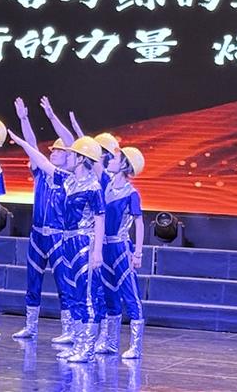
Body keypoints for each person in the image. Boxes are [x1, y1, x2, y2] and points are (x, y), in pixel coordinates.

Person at [8, 132, 105, 363]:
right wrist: (23, 143)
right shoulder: (69, 180)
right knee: (75, 294)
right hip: (68, 241)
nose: (68, 156)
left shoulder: (93, 187)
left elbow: (100, 218)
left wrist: (97, 251)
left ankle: (87, 349)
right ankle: (78, 344)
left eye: (72, 154)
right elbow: (43, 163)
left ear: (81, 159)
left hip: (84, 242)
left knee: (86, 296)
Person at [11, 97, 75, 344]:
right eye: (53, 151)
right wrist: (24, 118)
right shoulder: (40, 172)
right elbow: (32, 147)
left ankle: (69, 329)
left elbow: (71, 142)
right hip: (38, 234)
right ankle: (30, 326)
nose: (55, 153)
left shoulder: (69, 178)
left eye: (59, 151)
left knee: (63, 282)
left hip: (59, 235)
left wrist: (51, 116)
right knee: (32, 281)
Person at [95, 147, 146, 359]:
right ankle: (111, 343)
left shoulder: (131, 193)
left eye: (115, 158)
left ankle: (136, 346)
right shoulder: (106, 186)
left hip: (121, 248)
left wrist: (138, 253)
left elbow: (139, 223)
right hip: (105, 248)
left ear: (125, 164)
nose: (110, 160)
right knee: (109, 295)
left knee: (130, 295)